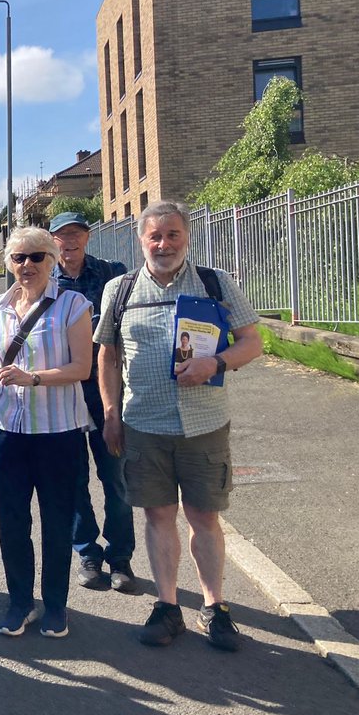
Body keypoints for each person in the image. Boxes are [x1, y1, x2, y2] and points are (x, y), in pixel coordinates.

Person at [96, 201, 262, 651]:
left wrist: (216, 363)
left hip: (204, 423)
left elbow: (252, 341)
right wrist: (111, 414)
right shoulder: (121, 289)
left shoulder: (215, 282)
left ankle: (215, 607)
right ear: (141, 240)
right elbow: (107, 357)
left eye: (172, 234)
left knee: (204, 517)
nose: (163, 244)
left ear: (186, 236)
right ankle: (168, 608)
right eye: (154, 236)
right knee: (158, 515)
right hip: (144, 423)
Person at [0, 226, 93, 639]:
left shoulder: (72, 305)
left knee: (57, 518)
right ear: (9, 263)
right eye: (18, 258)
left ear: (52, 259)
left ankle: (56, 604)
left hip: (56, 430)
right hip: (6, 428)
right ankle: (19, 602)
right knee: (12, 519)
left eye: (36, 257)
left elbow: (82, 368)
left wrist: (33, 379)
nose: (26, 265)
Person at [49, 211, 137, 594]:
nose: (69, 243)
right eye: (62, 237)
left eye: (76, 235)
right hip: (63, 390)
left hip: (105, 388)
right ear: (53, 242)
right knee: (73, 479)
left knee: (116, 477)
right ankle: (87, 552)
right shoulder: (43, 280)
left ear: (87, 237)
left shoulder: (112, 273)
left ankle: (120, 557)